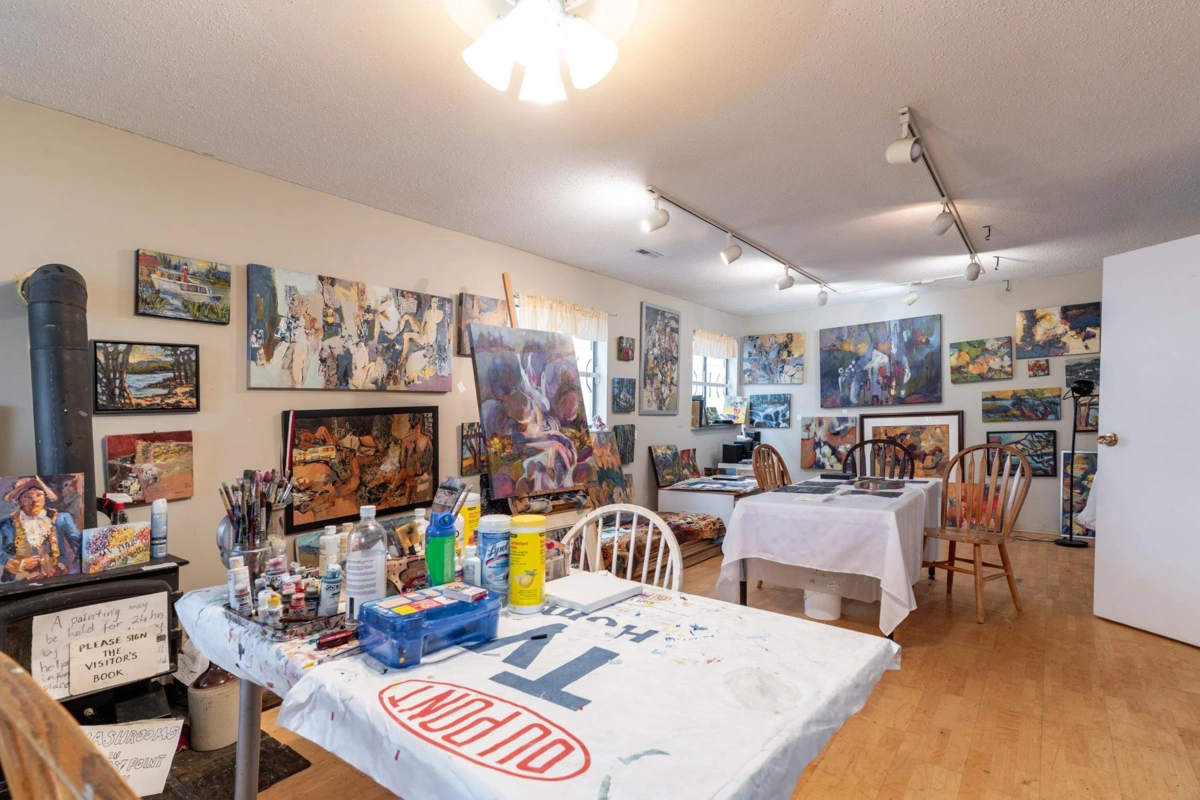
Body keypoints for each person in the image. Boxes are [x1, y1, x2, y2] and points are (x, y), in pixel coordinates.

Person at [1, 477, 82, 582]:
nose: (34, 500)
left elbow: (80, 544)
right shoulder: (5, 525)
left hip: (56, 578)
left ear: (45, 498)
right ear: (19, 502)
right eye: (27, 496)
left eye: (39, 495)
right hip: (20, 581)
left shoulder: (62, 519)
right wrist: (21, 564)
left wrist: (62, 565)